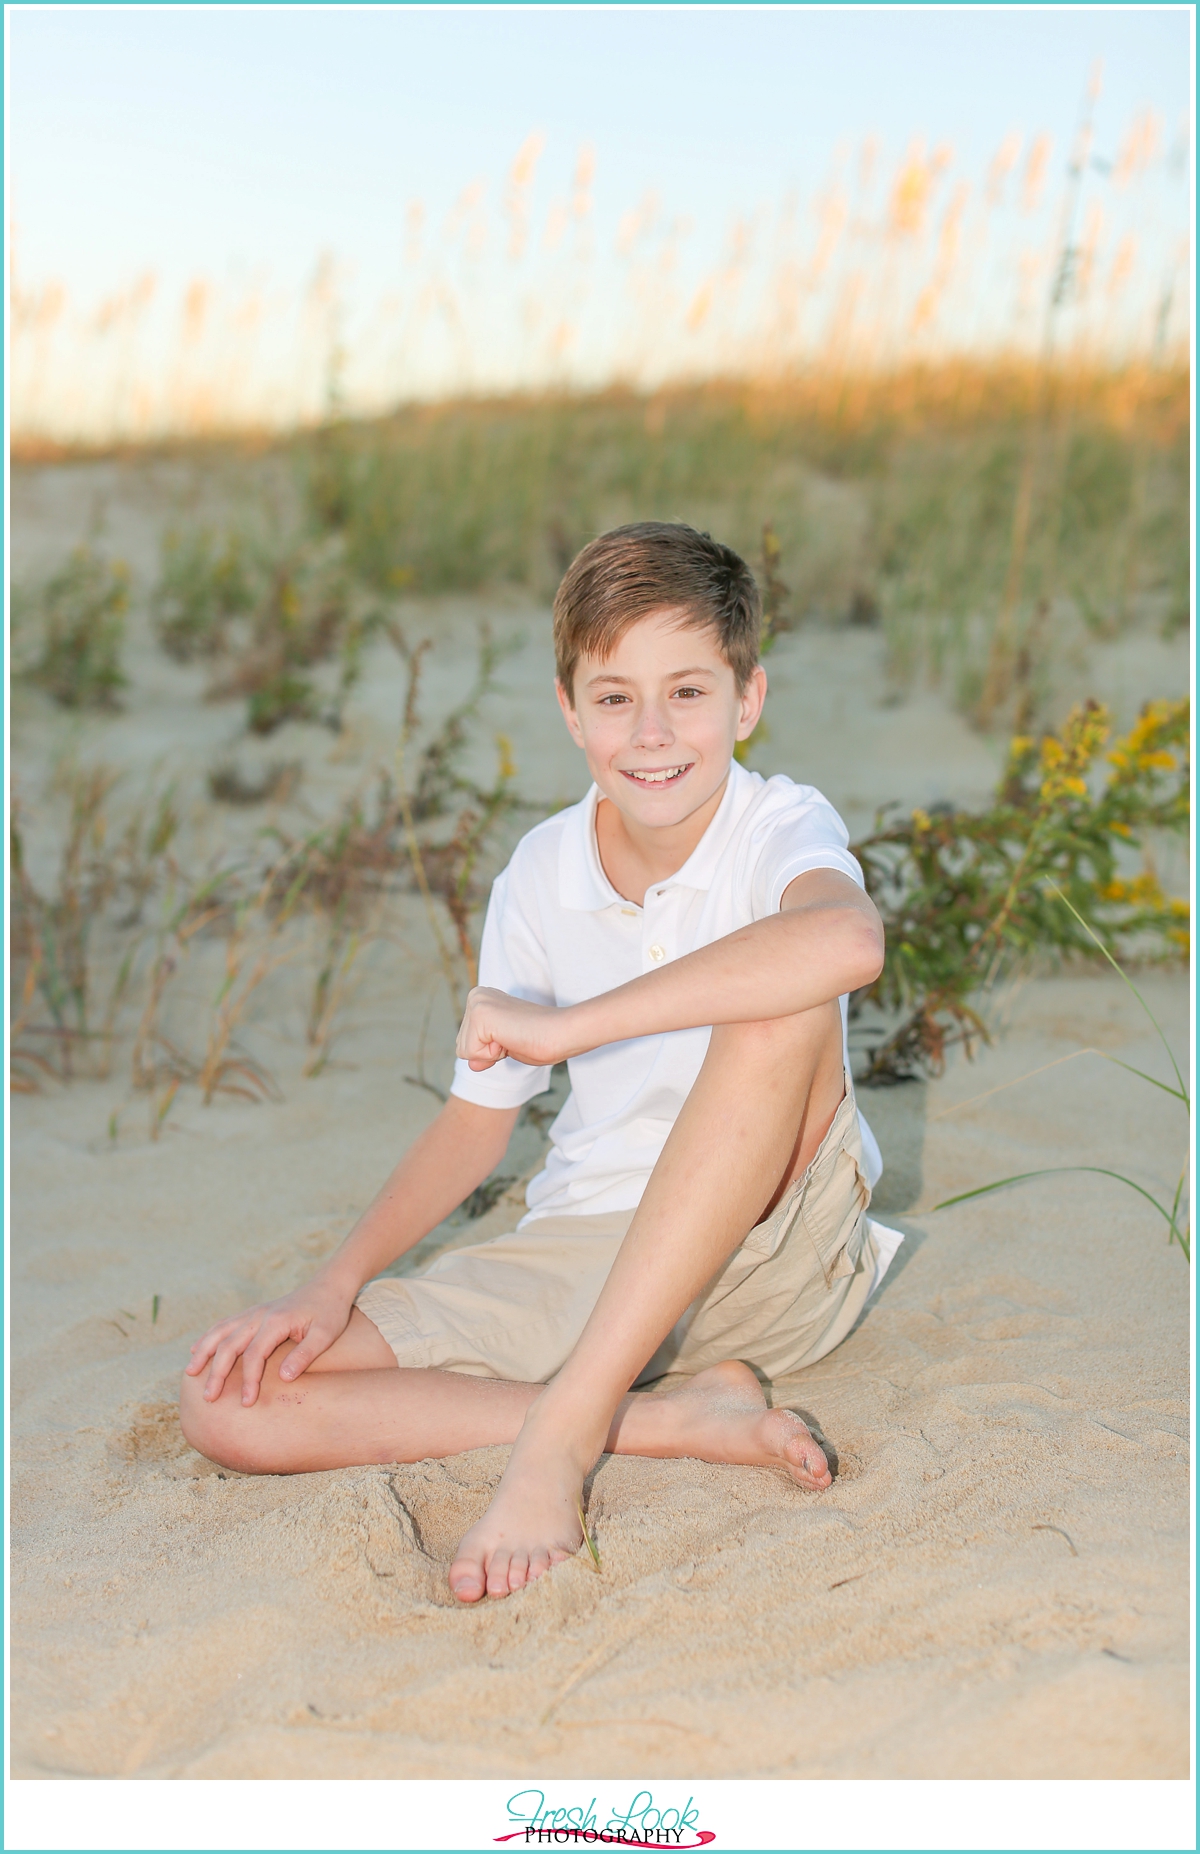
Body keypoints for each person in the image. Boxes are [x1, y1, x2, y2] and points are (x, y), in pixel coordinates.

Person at [181, 520, 901, 1605]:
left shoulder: (778, 826)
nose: (652, 734)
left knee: (780, 994)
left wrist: (574, 1026)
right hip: (586, 1247)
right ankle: (661, 1416)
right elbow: (477, 1124)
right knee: (231, 1399)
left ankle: (561, 1437)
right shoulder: (539, 874)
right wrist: (332, 1285)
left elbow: (848, 944)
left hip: (771, 1260)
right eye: (615, 698)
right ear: (569, 710)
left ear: (747, 700)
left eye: (689, 693)